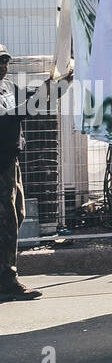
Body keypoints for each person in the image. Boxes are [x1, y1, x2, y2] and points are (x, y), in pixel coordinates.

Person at [0, 44, 39, 301]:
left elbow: (33, 104)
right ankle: (7, 279)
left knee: (18, 213)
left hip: (11, 159)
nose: (3, 66)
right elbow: (12, 115)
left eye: (5, 61)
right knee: (6, 221)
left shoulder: (8, 87)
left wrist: (60, 83)